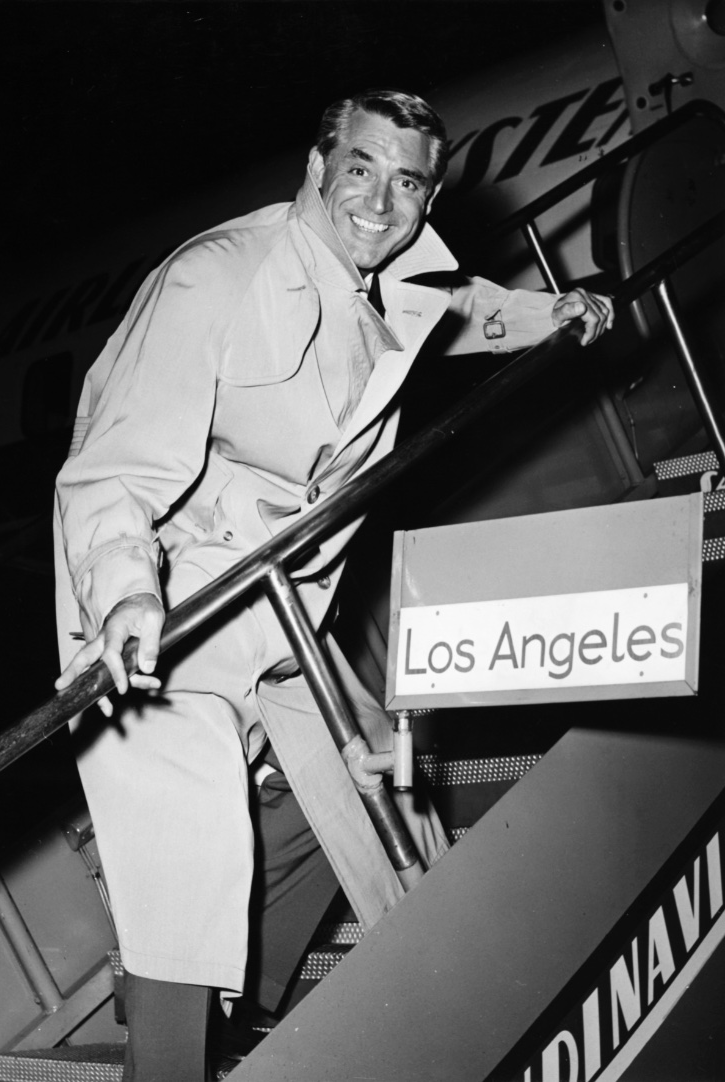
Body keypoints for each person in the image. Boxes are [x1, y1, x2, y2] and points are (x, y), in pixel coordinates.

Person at [53, 89, 613, 1079]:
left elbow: (465, 309)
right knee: (182, 841)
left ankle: (430, 1010)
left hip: (286, 597)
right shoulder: (215, 279)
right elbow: (112, 471)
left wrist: (555, 312)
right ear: (317, 168)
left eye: (407, 181)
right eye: (359, 167)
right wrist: (124, 593)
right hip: (169, 589)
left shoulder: (395, 273)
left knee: (376, 788)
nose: (380, 200)